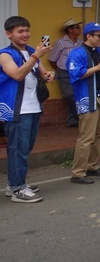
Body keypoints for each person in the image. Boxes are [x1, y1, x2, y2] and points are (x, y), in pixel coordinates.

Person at [0, 16, 54, 202]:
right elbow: (17, 75)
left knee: (25, 147)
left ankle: (14, 183)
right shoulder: (5, 54)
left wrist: (48, 75)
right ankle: (17, 189)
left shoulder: (31, 51)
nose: (25, 34)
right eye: (20, 31)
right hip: (16, 109)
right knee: (18, 149)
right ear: (9, 34)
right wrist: (35, 56)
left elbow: (43, 72)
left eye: (27, 30)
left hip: (33, 106)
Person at [68, 22, 100, 184]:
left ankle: (93, 165)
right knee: (86, 136)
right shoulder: (77, 54)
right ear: (89, 36)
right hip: (87, 97)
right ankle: (78, 172)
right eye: (99, 36)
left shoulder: (99, 52)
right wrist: (98, 68)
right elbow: (75, 74)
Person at [48, 18, 82, 127]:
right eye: (77, 27)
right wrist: (61, 68)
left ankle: (72, 121)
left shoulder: (81, 43)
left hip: (79, 73)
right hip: (65, 73)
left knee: (77, 95)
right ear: (70, 30)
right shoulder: (60, 43)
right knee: (69, 95)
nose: (80, 29)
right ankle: (78, 116)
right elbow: (52, 59)